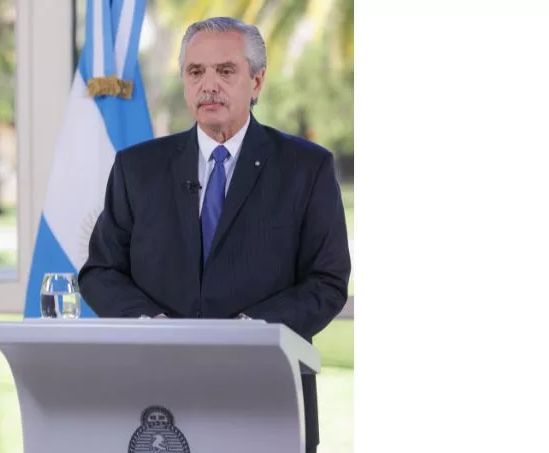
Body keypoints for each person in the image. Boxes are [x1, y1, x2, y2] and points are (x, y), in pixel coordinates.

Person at [78, 16, 351, 453]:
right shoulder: (137, 168)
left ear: (256, 81)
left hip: (268, 395)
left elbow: (327, 281)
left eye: (225, 71)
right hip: (156, 399)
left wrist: (250, 332)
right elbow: (100, 271)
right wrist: (152, 324)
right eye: (195, 71)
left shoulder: (307, 168)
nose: (209, 85)